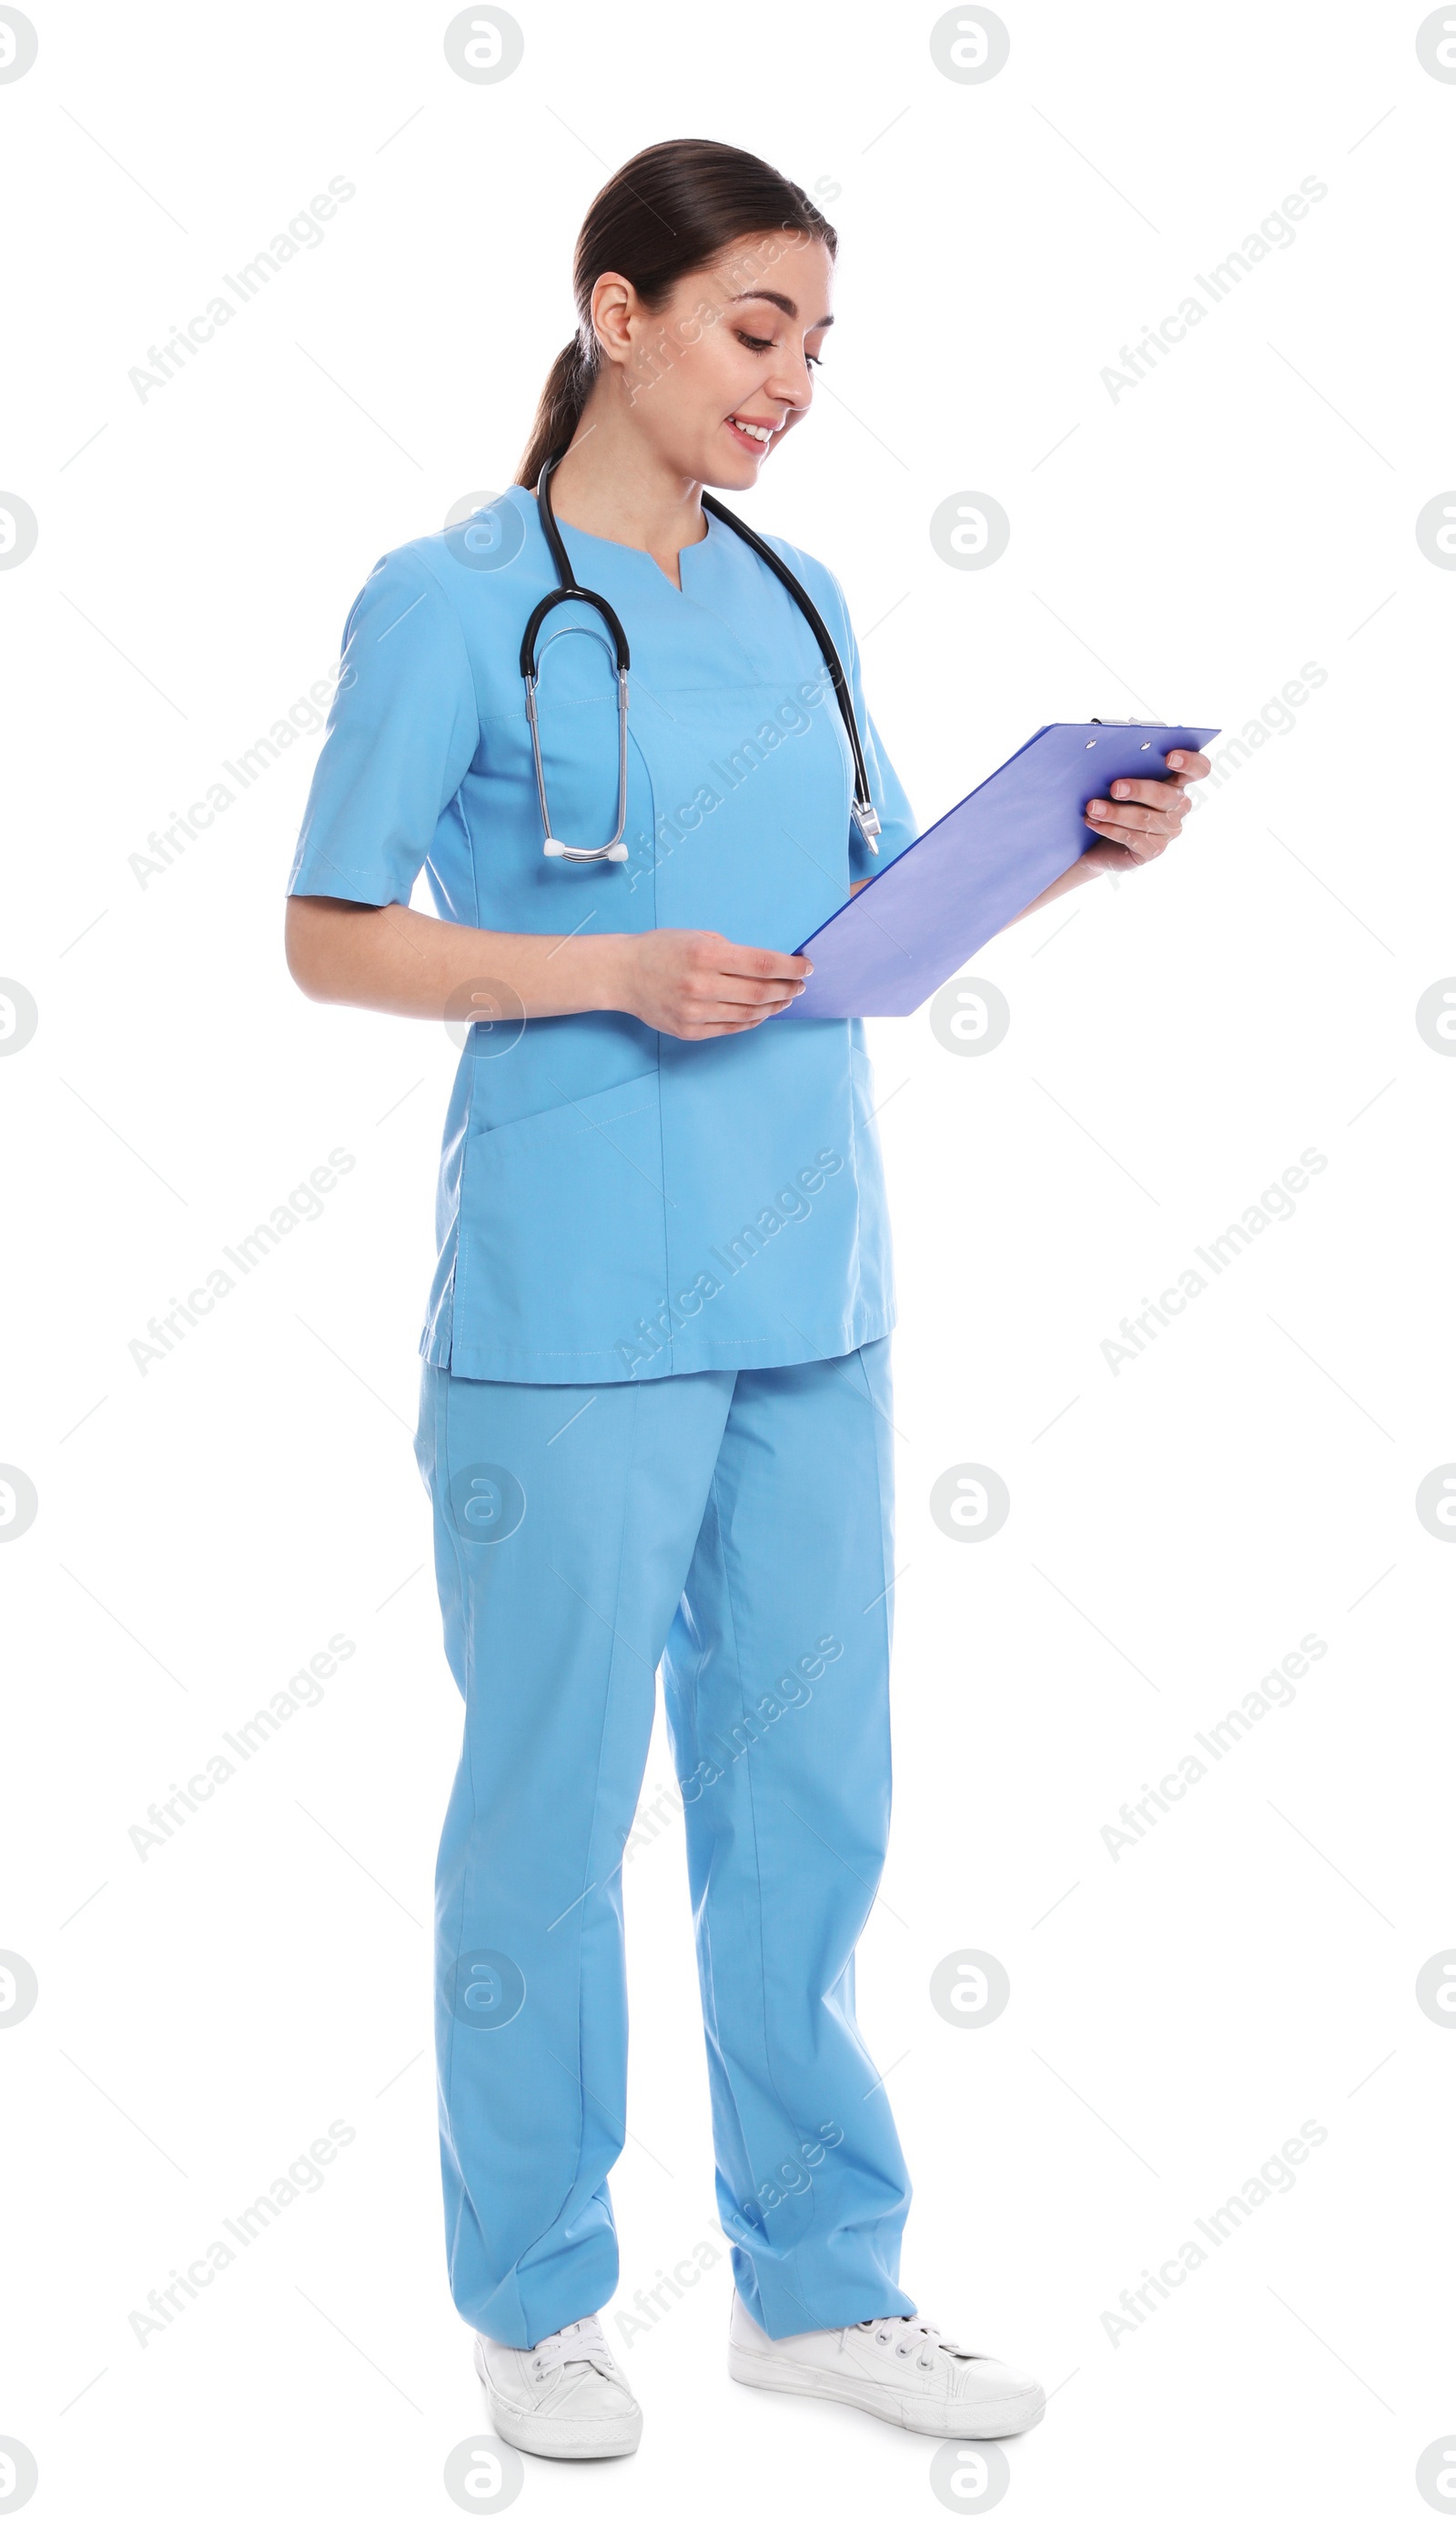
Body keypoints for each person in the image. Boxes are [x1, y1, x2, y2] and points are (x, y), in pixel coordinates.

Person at [283, 136, 1208, 2462]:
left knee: (804, 1803)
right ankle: (537, 2294)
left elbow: (855, 928)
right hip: (571, 1303)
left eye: (813, 342)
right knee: (548, 1813)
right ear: (617, 316)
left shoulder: (797, 605)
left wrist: (1058, 867)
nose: (789, 381)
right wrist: (602, 968)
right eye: (750, 328)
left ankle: (820, 2286)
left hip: (813, 1283)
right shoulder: (454, 596)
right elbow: (328, 931)